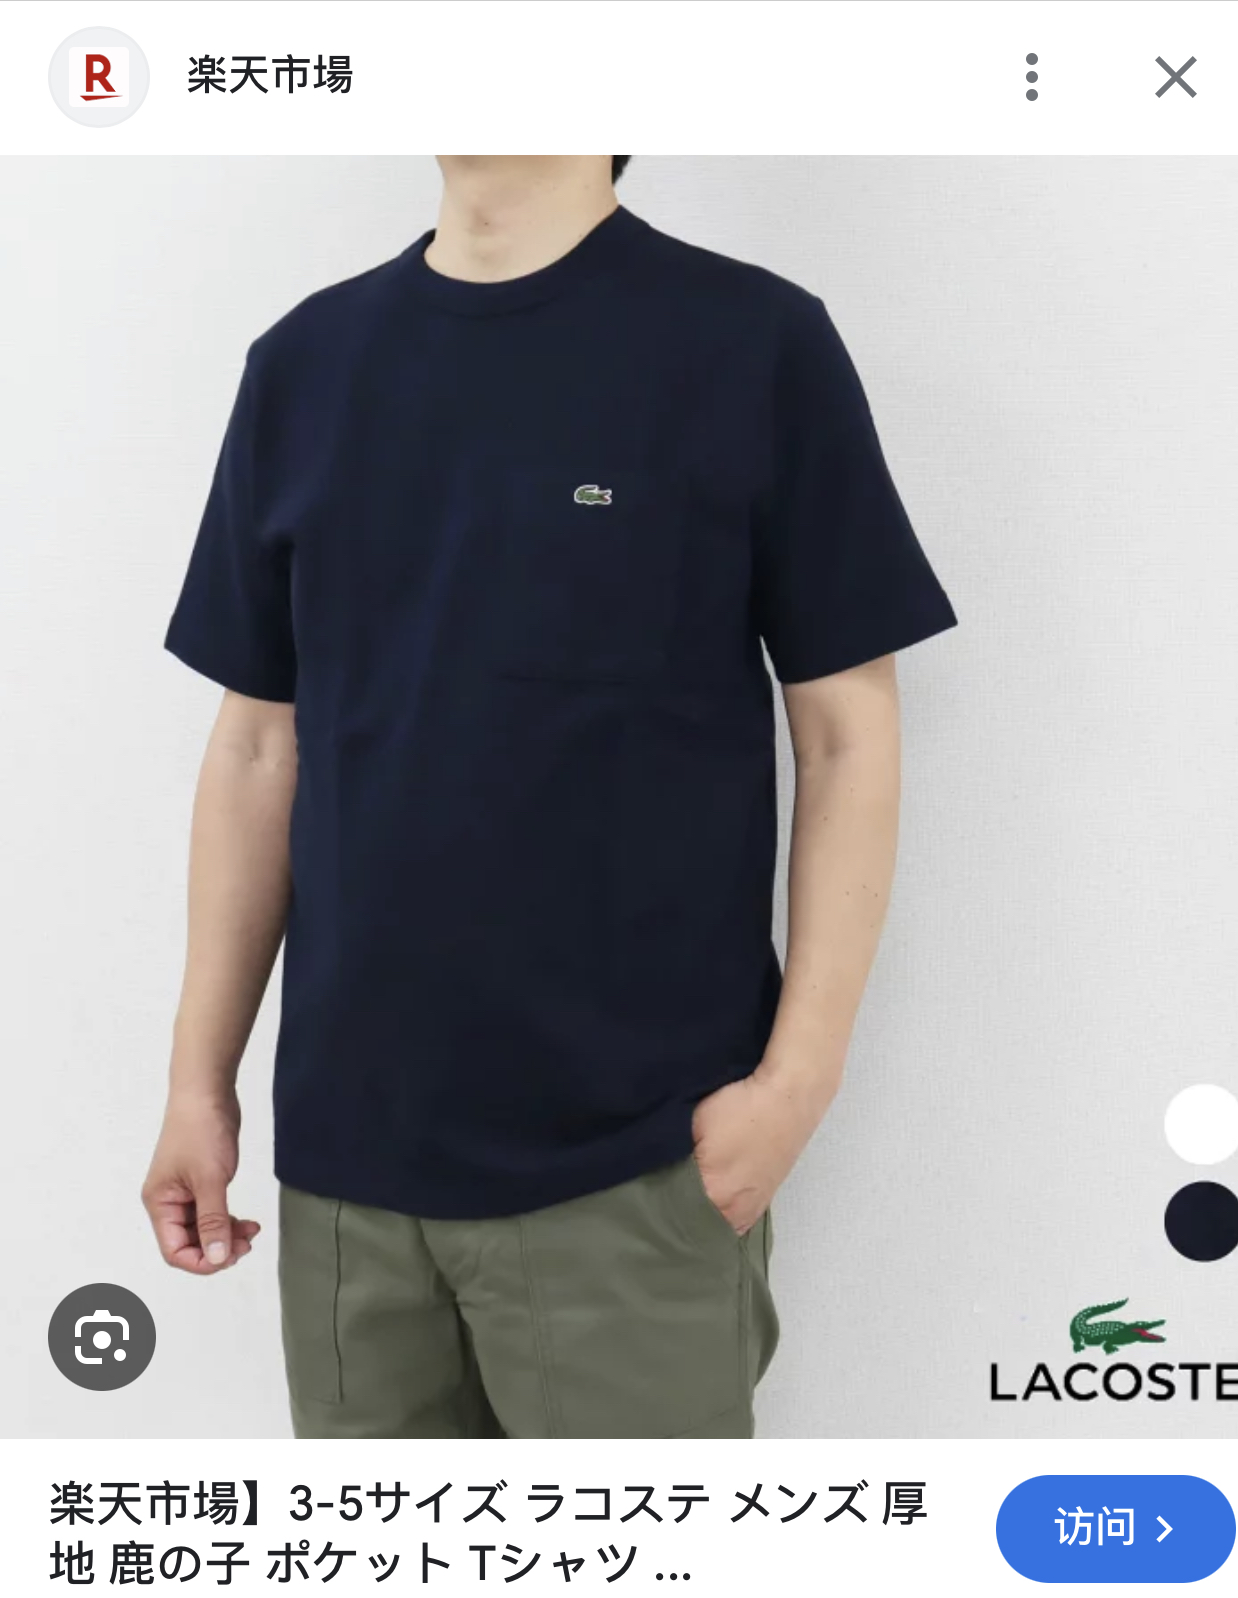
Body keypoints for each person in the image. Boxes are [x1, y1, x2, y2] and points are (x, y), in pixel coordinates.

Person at [144, 155, 957, 1440]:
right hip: (349, 1172)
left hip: (633, 1163)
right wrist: (201, 1082)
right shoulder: (304, 362)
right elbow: (256, 745)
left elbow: (848, 733)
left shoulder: (751, 342)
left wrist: (797, 1081)